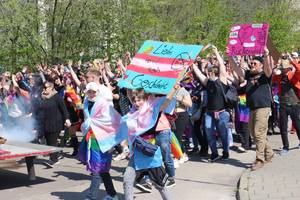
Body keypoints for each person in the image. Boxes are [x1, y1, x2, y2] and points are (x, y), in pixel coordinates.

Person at [123, 87, 179, 200]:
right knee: (127, 179)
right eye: (134, 101)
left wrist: (173, 89)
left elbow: (166, 101)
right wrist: (128, 79)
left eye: (139, 100)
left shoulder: (152, 110)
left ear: (145, 99)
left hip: (151, 153)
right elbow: (129, 94)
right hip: (137, 153)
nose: (137, 103)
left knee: (160, 185)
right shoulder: (132, 113)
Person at [228, 47, 274, 170]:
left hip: (263, 107)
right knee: (254, 134)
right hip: (251, 107)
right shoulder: (248, 74)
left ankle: (260, 159)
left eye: (255, 63)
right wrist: (229, 56)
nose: (252, 64)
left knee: (258, 132)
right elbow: (238, 70)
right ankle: (269, 153)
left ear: (261, 65)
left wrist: (266, 55)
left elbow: (269, 68)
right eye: (251, 63)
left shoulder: (265, 75)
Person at [78, 82, 119, 200]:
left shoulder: (104, 104)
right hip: (92, 139)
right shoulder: (86, 103)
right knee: (101, 170)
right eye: (89, 92)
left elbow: (111, 123)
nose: (91, 94)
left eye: (93, 92)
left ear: (98, 92)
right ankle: (112, 195)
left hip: (104, 140)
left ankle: (91, 197)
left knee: (98, 169)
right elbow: (88, 120)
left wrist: (112, 143)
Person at [192, 45, 231, 162]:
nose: (209, 73)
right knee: (208, 131)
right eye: (208, 72)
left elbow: (222, 67)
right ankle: (214, 153)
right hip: (209, 113)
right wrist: (192, 63)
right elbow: (198, 73)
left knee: (223, 133)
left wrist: (216, 52)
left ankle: (225, 151)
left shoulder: (222, 81)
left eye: (211, 72)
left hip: (222, 112)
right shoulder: (207, 82)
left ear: (215, 73)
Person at [273, 57, 300, 154]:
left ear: (288, 68)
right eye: (282, 68)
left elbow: (299, 69)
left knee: (297, 125)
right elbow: (273, 77)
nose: (282, 69)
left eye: (284, 68)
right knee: (283, 127)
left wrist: (292, 60)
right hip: (283, 105)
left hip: (294, 104)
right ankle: (285, 147)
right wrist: (275, 68)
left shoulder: (293, 75)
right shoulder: (279, 76)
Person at [40, 81, 71, 167]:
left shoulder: (57, 97)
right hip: (45, 123)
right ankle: (54, 156)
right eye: (43, 87)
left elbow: (64, 109)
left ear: (51, 88)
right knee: (49, 142)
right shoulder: (42, 97)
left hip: (55, 123)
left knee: (52, 141)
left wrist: (67, 119)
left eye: (46, 87)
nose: (44, 89)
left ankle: (53, 160)